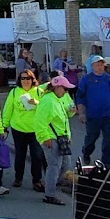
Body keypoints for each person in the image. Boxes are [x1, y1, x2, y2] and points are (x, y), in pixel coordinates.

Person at [76, 55, 110, 167]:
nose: (100, 67)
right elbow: (80, 97)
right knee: (91, 138)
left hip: (108, 115)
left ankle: (106, 162)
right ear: (92, 66)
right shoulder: (86, 79)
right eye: (97, 65)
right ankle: (86, 152)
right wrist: (81, 113)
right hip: (93, 115)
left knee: (109, 140)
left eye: (102, 65)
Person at [2, 68, 44, 191]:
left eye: (28, 78)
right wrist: (4, 127)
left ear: (33, 79)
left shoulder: (39, 92)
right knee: (20, 155)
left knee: (37, 155)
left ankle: (37, 180)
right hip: (18, 128)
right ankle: (18, 178)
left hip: (36, 129)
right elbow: (8, 110)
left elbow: (47, 108)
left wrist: (37, 103)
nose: (25, 81)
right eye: (23, 78)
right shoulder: (14, 92)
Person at [35, 75, 74, 206]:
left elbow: (63, 120)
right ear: (57, 87)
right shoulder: (48, 101)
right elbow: (40, 121)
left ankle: (51, 187)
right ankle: (50, 194)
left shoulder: (55, 99)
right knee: (54, 166)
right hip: (52, 139)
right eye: (65, 89)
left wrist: (68, 136)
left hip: (59, 138)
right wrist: (45, 137)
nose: (66, 92)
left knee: (64, 166)